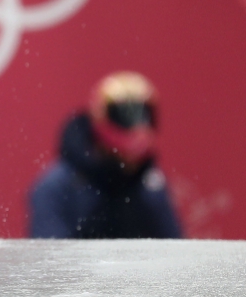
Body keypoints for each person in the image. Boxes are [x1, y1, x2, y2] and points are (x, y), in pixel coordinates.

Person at [29, 71, 182, 239]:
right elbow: (50, 258)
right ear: (101, 117)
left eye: (145, 115)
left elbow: (172, 250)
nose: (138, 127)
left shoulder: (151, 184)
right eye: (124, 115)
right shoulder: (57, 187)